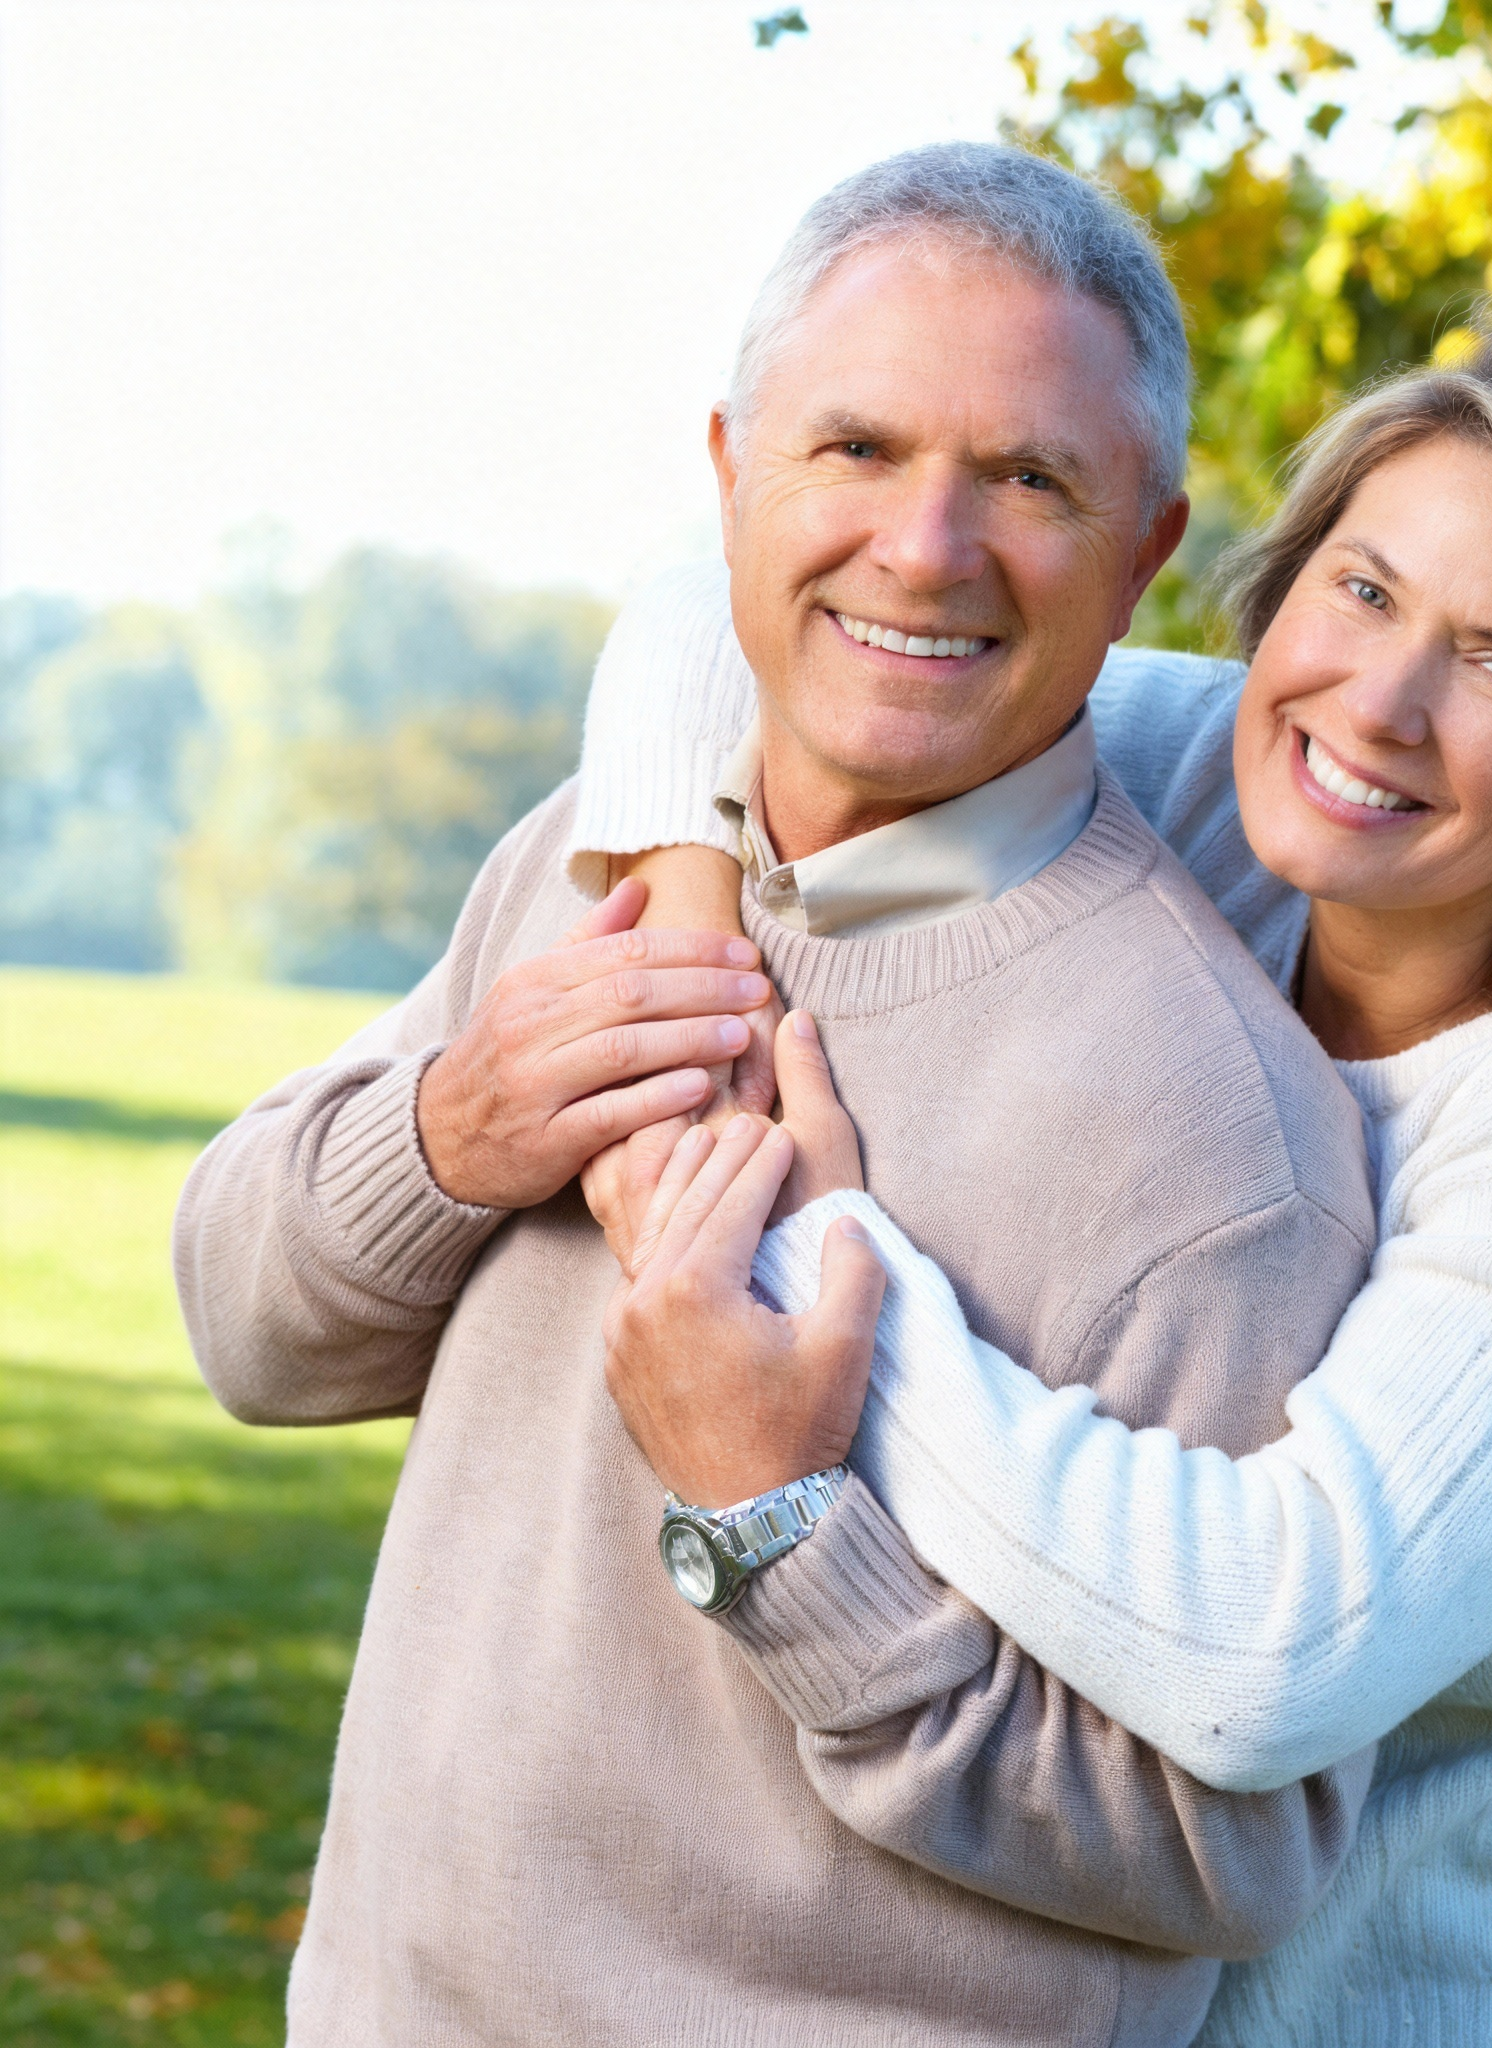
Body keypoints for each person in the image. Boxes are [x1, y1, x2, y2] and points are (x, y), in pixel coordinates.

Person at [173, 143, 1388, 2047]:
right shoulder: (591, 857)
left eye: (1029, 480)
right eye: (857, 449)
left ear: (1147, 551)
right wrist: (452, 1136)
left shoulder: (1215, 1136)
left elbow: (1225, 1853)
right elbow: (246, 1334)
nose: (926, 547)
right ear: (733, 469)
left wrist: (782, 1530)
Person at [575, 316, 1492, 2045]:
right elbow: (714, 599)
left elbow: (1270, 1650)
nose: (1381, 705)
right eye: (1364, 591)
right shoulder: (1213, 782)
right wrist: (690, 943)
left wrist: (815, 1265)